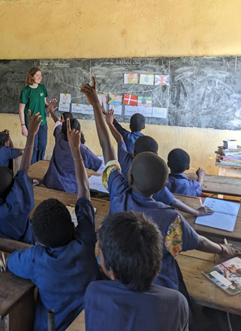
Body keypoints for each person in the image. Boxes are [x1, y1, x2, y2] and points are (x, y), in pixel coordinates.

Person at [82, 76, 238, 325]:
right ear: (164, 186)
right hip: (161, 293)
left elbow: (107, 146)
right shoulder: (170, 218)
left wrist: (94, 105)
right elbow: (197, 242)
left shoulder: (119, 192)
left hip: (118, 282)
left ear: (129, 176)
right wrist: (223, 249)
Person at [7, 117, 100, 331]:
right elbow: (84, 192)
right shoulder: (85, 243)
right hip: (88, 323)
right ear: (73, 225)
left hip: (48, 326)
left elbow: (12, 262)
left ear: (37, 239)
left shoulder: (37, 257)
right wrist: (78, 153)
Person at [84, 211, 189, 331]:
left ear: (112, 272)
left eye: (101, 254)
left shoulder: (94, 291)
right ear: (157, 261)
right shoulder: (176, 302)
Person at [105, 110, 212, 218]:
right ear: (156, 155)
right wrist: (197, 212)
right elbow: (174, 202)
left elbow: (118, 139)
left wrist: (109, 122)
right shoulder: (155, 179)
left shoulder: (124, 163)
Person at [0, 112, 42, 243]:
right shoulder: (16, 209)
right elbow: (24, 168)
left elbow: (23, 170)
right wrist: (31, 135)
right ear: (12, 189)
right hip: (22, 252)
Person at [43, 100, 102, 194]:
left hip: (51, 183)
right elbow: (102, 167)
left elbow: (57, 124)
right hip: (69, 190)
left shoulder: (59, 137)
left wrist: (51, 112)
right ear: (79, 132)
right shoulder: (82, 149)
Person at [19, 67, 51, 164]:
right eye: (37, 75)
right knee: (33, 147)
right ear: (31, 76)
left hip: (42, 123)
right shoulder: (26, 91)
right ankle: (32, 170)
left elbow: (45, 102)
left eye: (40, 75)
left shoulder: (42, 88)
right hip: (31, 124)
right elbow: (21, 109)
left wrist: (50, 108)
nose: (39, 77)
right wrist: (23, 126)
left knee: (42, 146)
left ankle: (39, 167)